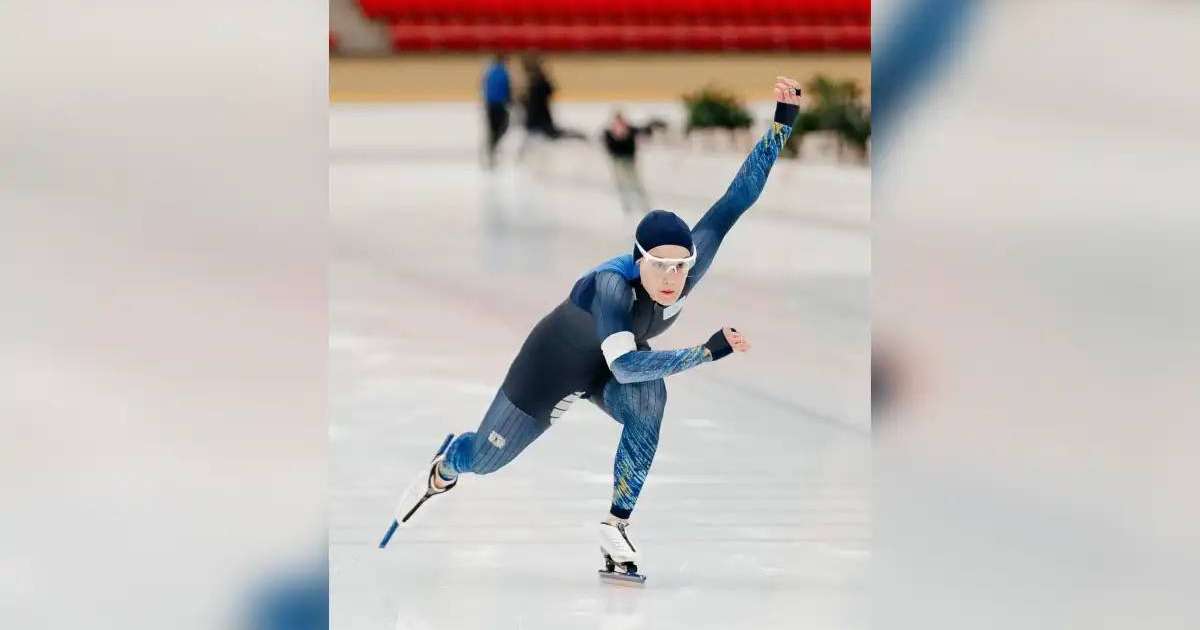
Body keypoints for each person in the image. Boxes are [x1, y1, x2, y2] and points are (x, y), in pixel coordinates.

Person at [386, 77, 804, 580]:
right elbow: (625, 366)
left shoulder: (689, 264)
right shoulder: (611, 286)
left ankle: (616, 524)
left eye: (681, 267)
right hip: (550, 370)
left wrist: (782, 124)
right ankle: (446, 466)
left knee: (653, 400)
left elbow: (737, 199)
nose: (672, 279)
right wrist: (707, 352)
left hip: (606, 367)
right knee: (486, 460)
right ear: (637, 259)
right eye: (660, 267)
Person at [602, 111, 666, 216]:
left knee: (635, 183)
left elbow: (643, 131)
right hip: (618, 161)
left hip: (629, 161)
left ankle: (643, 205)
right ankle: (627, 206)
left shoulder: (630, 130)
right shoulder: (610, 133)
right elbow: (609, 146)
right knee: (621, 184)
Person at [519, 55, 586, 148]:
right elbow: (550, 91)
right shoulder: (538, 82)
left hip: (539, 122)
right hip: (540, 122)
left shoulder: (536, 84)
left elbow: (547, 92)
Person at [481, 54, 511, 169]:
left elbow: (484, 87)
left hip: (490, 105)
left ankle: (492, 147)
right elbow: (507, 89)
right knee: (502, 125)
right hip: (499, 105)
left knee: (492, 128)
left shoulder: (489, 72)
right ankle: (493, 146)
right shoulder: (504, 73)